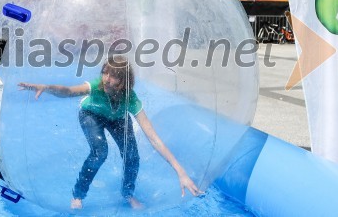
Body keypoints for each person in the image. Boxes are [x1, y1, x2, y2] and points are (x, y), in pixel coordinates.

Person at [18, 56, 202, 210]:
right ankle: (78, 194)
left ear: (124, 82)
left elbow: (153, 138)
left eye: (113, 76)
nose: (106, 79)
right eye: (105, 72)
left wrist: (180, 172)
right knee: (100, 152)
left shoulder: (131, 99)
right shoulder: (97, 86)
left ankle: (128, 194)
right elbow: (69, 91)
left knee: (132, 157)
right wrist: (46, 87)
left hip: (117, 118)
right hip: (91, 114)